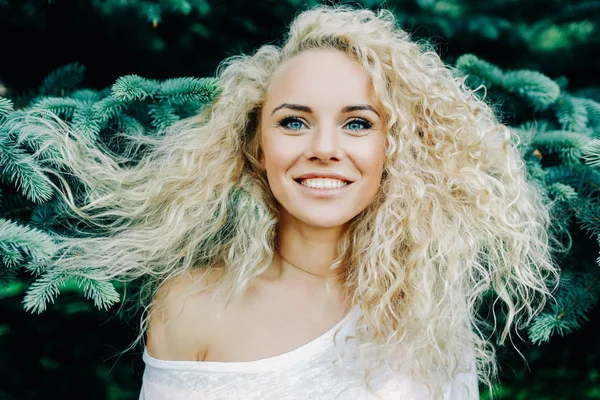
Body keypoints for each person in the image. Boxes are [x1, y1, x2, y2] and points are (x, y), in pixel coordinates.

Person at [29, 4, 564, 400]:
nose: (325, 149)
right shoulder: (193, 306)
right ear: (256, 146)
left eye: (358, 123)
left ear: (393, 149)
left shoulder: (428, 309)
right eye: (294, 122)